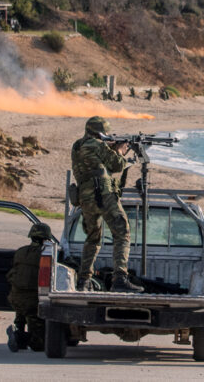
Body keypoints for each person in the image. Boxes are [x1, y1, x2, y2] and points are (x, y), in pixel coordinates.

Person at [71, 116, 141, 292]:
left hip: (85, 198)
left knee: (93, 238)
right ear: (100, 133)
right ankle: (120, 278)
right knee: (122, 232)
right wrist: (119, 151)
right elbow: (117, 165)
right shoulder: (97, 145)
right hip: (103, 195)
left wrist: (110, 148)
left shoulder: (77, 146)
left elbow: (95, 164)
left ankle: (84, 280)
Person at [6, 222, 51, 352]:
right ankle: (21, 337)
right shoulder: (45, 255)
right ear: (46, 238)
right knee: (39, 345)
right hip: (33, 301)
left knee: (20, 313)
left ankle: (18, 331)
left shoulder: (20, 252)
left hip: (15, 297)